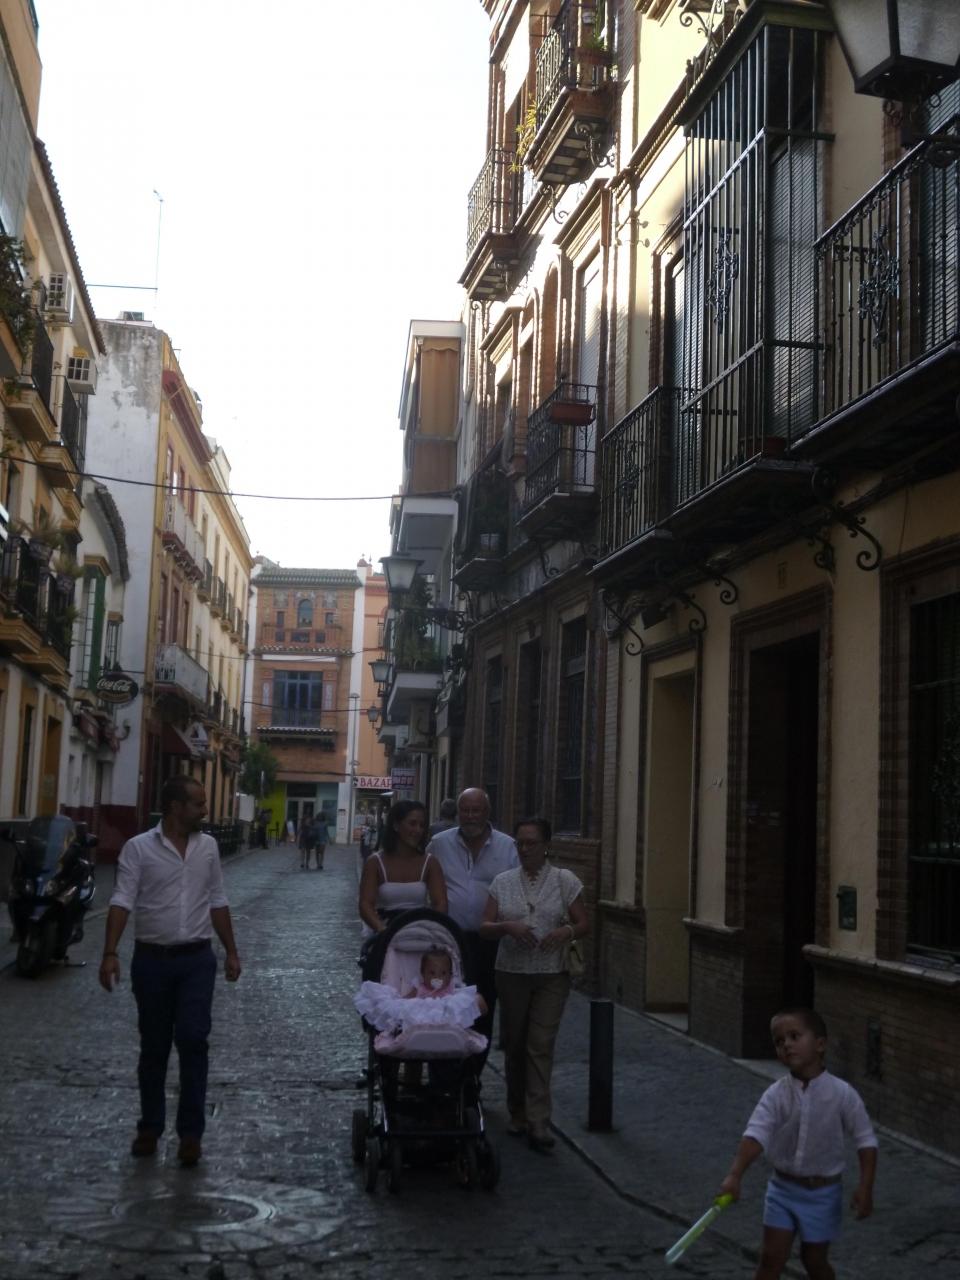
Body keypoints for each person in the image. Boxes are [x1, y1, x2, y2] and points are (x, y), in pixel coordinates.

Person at [98, 776, 241, 1168]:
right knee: (154, 1046)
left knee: (194, 1040)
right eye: (199, 804)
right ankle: (150, 1126)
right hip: (152, 962)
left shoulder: (208, 847)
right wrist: (110, 952)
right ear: (176, 806)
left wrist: (231, 951)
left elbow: (217, 899)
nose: (205, 810)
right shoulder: (138, 848)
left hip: (197, 960)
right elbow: (121, 900)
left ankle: (191, 1134)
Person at [717, 1007, 878, 1280]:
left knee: (814, 1260)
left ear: (820, 1044)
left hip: (823, 1193)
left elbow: (866, 1141)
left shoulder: (842, 1094)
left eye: (794, 1036)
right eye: (779, 1041)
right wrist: (735, 1174)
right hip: (782, 1189)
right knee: (770, 1258)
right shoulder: (776, 1095)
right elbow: (756, 1133)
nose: (786, 1045)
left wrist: (866, 1187)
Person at [479, 817, 587, 1151]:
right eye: (520, 843)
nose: (525, 849)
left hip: (551, 973)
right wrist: (507, 927)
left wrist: (565, 931)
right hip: (511, 972)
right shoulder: (502, 881)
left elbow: (584, 923)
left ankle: (539, 1121)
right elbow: (484, 926)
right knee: (515, 1043)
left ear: (546, 846)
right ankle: (517, 1111)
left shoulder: (564, 881)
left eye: (532, 843)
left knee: (539, 1044)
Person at [426, 787, 518, 1056]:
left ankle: (474, 1068)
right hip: (449, 940)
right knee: (445, 1001)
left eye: (475, 810)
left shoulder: (507, 847)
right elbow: (424, 880)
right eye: (464, 811)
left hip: (490, 942)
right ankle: (446, 1066)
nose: (470, 816)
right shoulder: (440, 844)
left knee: (483, 1005)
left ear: (487, 812)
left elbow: (516, 890)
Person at [359, 799, 448, 936]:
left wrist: (431, 928)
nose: (418, 830)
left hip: (420, 931)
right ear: (396, 825)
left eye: (422, 825)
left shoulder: (430, 862)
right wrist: (382, 929)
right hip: (386, 931)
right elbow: (365, 904)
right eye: (412, 824)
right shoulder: (375, 862)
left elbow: (440, 903)